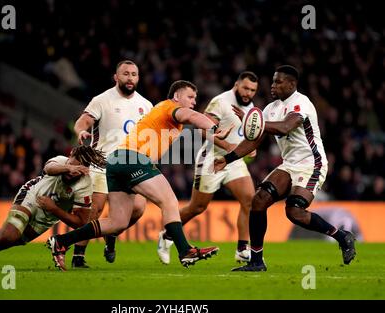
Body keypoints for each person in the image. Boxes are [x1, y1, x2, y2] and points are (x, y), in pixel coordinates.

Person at [46, 80, 227, 271]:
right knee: (170, 202)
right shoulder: (171, 107)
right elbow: (191, 115)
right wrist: (214, 127)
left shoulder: (165, 112)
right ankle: (185, 251)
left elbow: (199, 128)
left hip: (117, 161)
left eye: (195, 98)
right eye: (190, 97)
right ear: (176, 96)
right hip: (133, 158)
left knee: (117, 223)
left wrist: (228, 145)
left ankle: (61, 241)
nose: (193, 101)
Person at [214, 65, 356, 271]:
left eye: (278, 82)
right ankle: (256, 261)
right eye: (272, 81)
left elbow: (285, 127)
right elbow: (253, 142)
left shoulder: (302, 103)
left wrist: (252, 120)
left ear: (292, 84)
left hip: (311, 163)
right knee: (259, 200)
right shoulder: (270, 109)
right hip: (289, 164)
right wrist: (228, 159)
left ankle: (342, 236)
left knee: (294, 212)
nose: (273, 85)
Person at [0, 145, 106, 270]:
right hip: (31, 196)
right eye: (72, 164)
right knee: (11, 235)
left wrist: (54, 209)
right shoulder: (60, 161)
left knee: (6, 241)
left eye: (78, 169)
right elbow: (49, 168)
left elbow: (80, 223)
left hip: (48, 215)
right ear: (69, 156)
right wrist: (69, 167)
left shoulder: (84, 186)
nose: (72, 172)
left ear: (85, 169)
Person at [157, 71, 259, 265]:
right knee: (198, 207)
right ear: (237, 84)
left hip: (233, 161)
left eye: (253, 90)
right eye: (245, 88)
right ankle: (167, 234)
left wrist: (250, 148)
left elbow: (245, 133)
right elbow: (202, 130)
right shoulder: (221, 102)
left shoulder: (250, 107)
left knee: (249, 200)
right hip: (211, 159)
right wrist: (230, 147)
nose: (248, 93)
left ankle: (242, 249)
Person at [71, 60, 153, 268]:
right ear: (116, 77)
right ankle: (78, 255)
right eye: (125, 74)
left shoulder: (146, 105)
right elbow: (83, 121)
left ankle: (112, 233)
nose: (130, 78)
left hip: (130, 165)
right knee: (95, 209)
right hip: (102, 162)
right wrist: (81, 131)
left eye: (134, 74)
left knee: (138, 208)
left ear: (138, 78)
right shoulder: (102, 100)